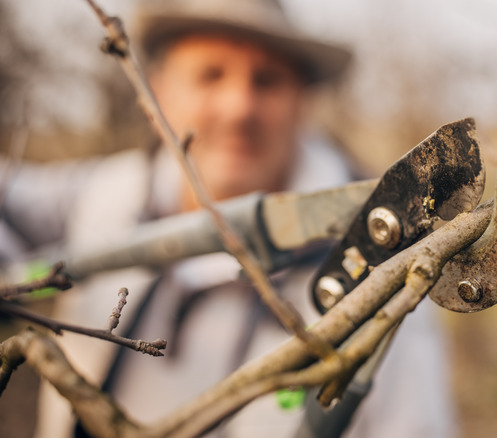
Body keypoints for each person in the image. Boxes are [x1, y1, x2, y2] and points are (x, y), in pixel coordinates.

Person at [0, 0, 456, 436]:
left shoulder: (379, 267)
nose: (239, 107)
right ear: (159, 92)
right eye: (210, 74)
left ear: (302, 100)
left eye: (267, 80)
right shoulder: (104, 194)